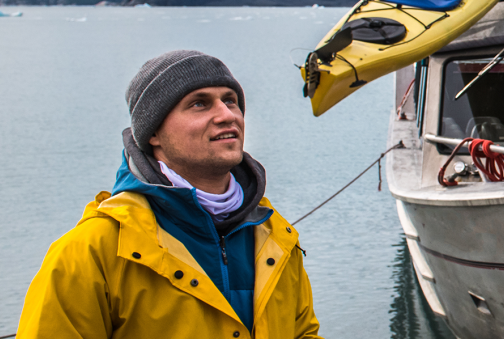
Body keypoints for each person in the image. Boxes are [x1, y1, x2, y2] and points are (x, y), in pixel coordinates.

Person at [18, 50, 321, 338]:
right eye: (199, 104)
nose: (226, 115)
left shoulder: (274, 238)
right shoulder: (92, 252)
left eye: (230, 101)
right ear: (152, 132)